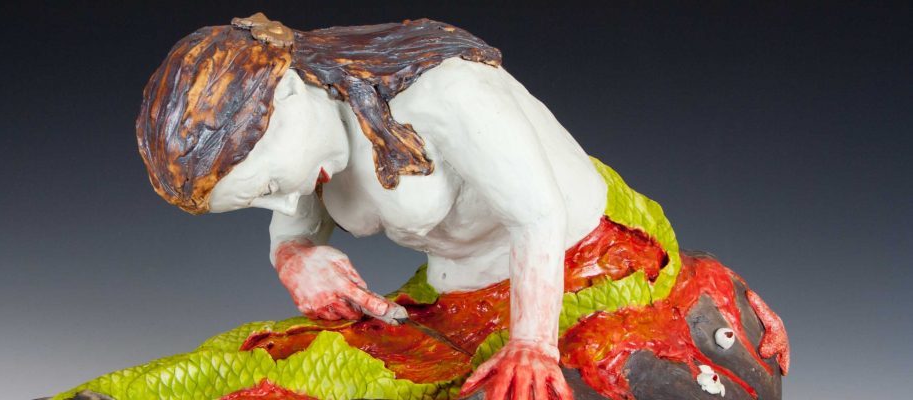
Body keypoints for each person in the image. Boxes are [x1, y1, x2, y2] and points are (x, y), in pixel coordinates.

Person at [131, 14, 677, 400]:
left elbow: (538, 215)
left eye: (269, 183)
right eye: (258, 201)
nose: (286, 201)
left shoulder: (444, 92)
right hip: (448, 296)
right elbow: (293, 229)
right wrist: (294, 257)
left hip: (580, 266)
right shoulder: (314, 137)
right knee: (270, 353)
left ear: (289, 94)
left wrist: (532, 343)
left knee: (348, 376)